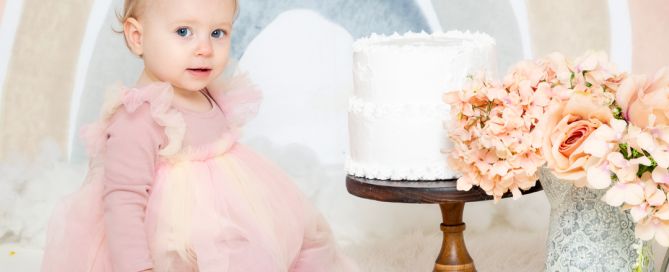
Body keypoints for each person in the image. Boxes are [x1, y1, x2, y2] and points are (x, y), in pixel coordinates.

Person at [41, 0, 357, 271]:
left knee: (276, 246)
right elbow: (123, 201)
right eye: (183, 32)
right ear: (137, 37)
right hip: (168, 240)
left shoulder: (208, 94)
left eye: (217, 33)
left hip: (219, 225)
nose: (205, 49)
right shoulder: (140, 115)